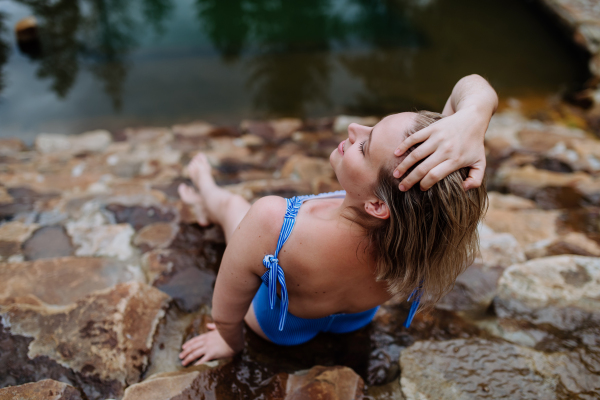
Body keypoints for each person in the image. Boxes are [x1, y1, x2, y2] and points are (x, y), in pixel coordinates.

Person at [178, 75, 495, 366]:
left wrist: (228, 339)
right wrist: (472, 120)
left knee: (233, 206)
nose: (355, 128)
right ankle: (205, 200)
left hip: (280, 326)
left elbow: (227, 301)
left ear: (375, 205)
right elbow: (471, 88)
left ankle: (204, 190)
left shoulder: (274, 223)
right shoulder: (430, 223)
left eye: (365, 146)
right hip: (355, 318)